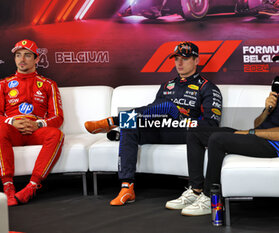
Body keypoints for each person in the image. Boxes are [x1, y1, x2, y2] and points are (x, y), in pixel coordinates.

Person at [166, 42, 279, 216]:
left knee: (217, 139)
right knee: (195, 132)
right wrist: (267, 110)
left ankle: (211, 198)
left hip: (276, 146)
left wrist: (249, 133)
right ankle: (196, 190)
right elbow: (257, 124)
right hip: (260, 137)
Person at [85, 41, 223, 206]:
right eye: (176, 58)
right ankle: (127, 187)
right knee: (131, 125)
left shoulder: (208, 88)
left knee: (169, 106)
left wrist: (182, 118)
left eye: (184, 58)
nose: (179, 63)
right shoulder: (167, 85)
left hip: (187, 132)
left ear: (196, 60)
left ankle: (113, 121)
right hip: (162, 129)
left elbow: (211, 125)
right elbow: (152, 110)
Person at [0, 39, 64, 206]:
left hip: (36, 131)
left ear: (37, 59)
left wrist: (39, 124)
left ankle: (32, 186)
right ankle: (8, 187)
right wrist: (12, 122)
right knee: (0, 128)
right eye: (18, 55)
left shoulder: (48, 84)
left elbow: (58, 117)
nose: (22, 59)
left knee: (56, 134)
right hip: (13, 131)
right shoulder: (2, 84)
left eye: (27, 55)